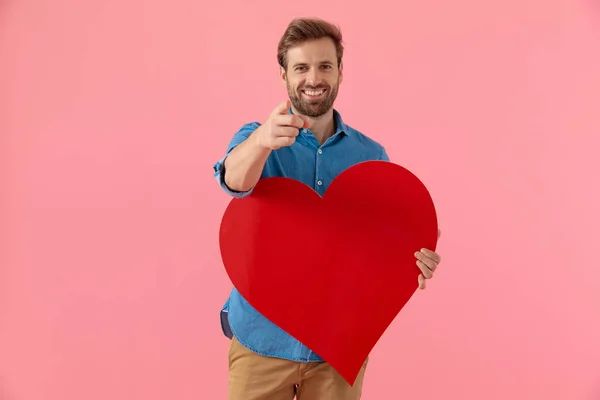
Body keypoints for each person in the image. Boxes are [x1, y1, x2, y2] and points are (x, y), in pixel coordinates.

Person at [212, 17, 443, 400]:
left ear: (340, 72)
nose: (313, 78)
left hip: (339, 352)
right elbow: (234, 181)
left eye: (325, 66)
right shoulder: (256, 138)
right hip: (260, 343)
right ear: (284, 74)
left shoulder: (370, 156)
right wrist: (262, 142)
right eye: (301, 67)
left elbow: (385, 239)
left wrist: (413, 262)